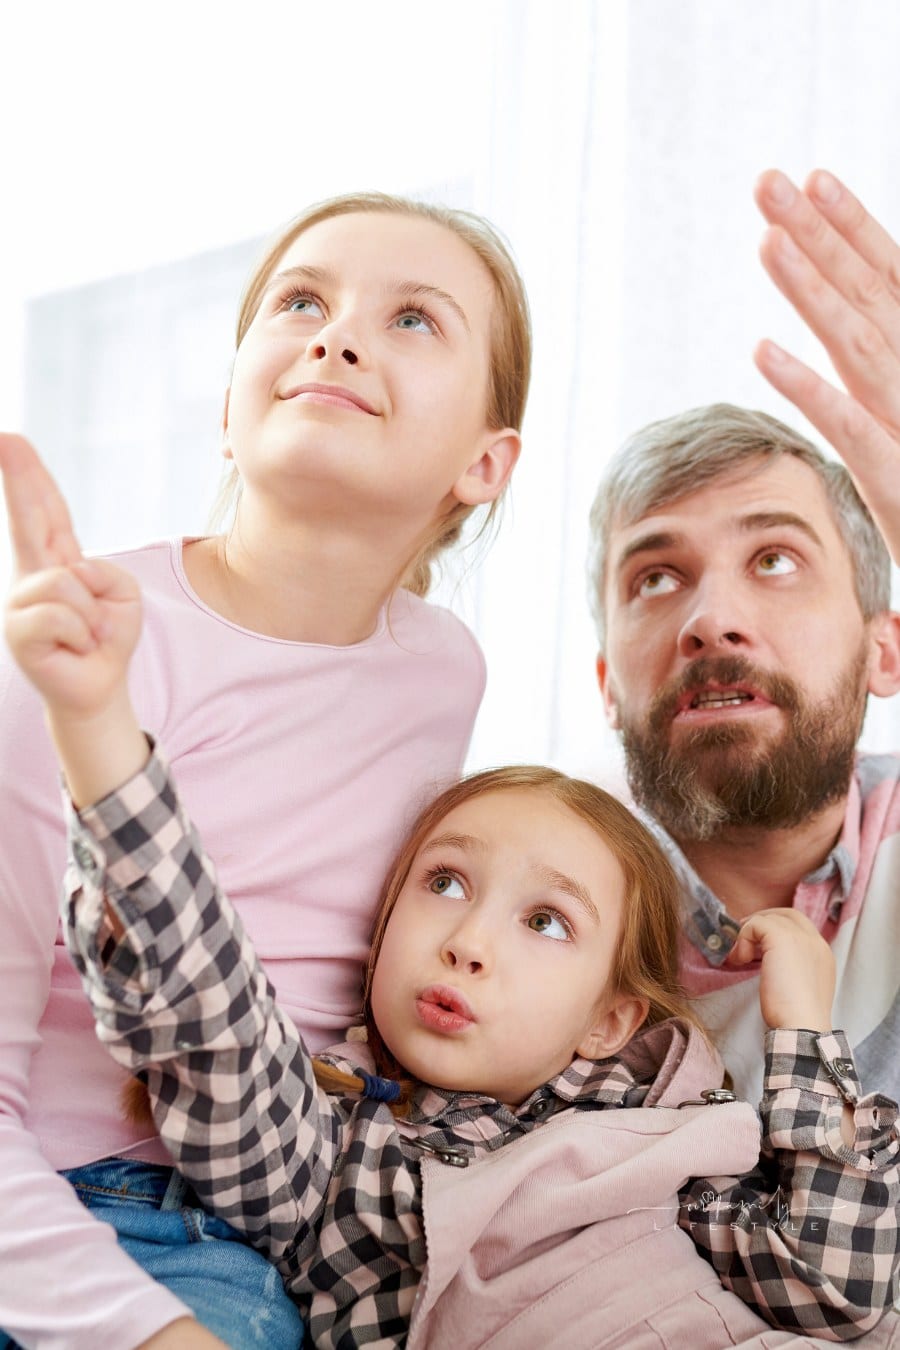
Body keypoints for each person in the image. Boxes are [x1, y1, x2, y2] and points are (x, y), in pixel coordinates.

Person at [2, 470, 898, 1350]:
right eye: (444, 885)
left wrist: (804, 1038)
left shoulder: (670, 1141)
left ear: (610, 1018)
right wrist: (101, 738)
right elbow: (209, 1014)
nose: (469, 943)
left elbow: (837, 1291)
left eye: (546, 922)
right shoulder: (336, 1159)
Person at [0, 192, 528, 1350]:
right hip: (52, 1212)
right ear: (229, 417)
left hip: (268, 1231)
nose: (336, 336)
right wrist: (140, 1331)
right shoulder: (84, 651)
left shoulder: (446, 676)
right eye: (302, 301)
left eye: (414, 321)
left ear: (485, 463)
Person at [587, 169, 900, 1111]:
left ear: (885, 650)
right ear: (606, 681)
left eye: (774, 560)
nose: (710, 619)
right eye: (656, 576)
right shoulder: (521, 897)